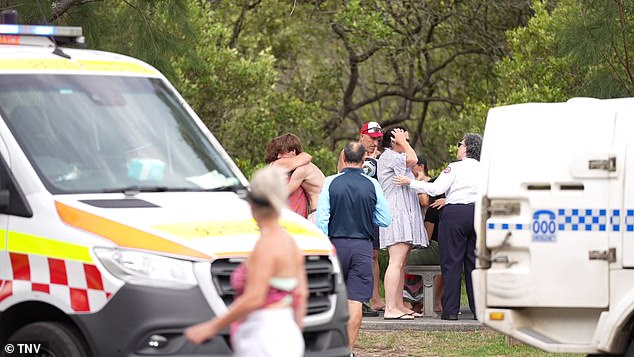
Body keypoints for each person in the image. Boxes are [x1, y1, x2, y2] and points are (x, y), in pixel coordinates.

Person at [185, 166, 308, 356]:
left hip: (263, 334)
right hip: (288, 332)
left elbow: (254, 298)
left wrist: (211, 327)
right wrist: (294, 333)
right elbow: (300, 294)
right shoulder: (290, 242)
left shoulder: (266, 244)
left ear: (252, 204)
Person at [394, 133, 482, 320]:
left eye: (460, 144)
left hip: (455, 215)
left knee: (451, 263)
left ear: (466, 148)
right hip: (478, 213)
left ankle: (450, 310)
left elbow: (435, 189)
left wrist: (410, 182)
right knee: (474, 263)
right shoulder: (485, 169)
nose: (458, 148)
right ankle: (478, 310)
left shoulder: (455, 168)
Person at [316, 142, 391, 354]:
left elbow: (322, 220)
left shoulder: (330, 182)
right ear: (364, 159)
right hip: (362, 246)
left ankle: (328, 346)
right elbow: (385, 219)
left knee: (331, 296)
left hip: (335, 244)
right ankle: (347, 350)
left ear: (344, 158)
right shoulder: (372, 185)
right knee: (356, 299)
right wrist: (368, 216)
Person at [377, 126, 428, 320]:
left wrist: (403, 142)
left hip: (405, 211)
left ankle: (398, 304)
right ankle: (390, 307)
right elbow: (414, 159)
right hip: (396, 212)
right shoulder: (389, 156)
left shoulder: (398, 158)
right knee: (396, 261)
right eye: (402, 138)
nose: (407, 141)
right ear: (393, 141)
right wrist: (403, 142)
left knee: (402, 263)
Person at [337, 121, 386, 316]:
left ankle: (375, 297)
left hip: (370, 208)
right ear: (362, 136)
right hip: (350, 209)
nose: (375, 142)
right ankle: (351, 297)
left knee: (373, 253)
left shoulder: (381, 156)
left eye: (378, 139)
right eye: (372, 138)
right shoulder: (349, 152)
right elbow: (342, 174)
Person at [272, 133, 325, 222]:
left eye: (281, 153)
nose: (278, 157)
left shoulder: (302, 170)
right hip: (321, 211)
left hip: (318, 213)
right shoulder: (308, 166)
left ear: (293, 152)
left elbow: (286, 192)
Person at [264, 133, 313, 218]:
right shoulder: (277, 164)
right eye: (277, 153)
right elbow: (306, 157)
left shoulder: (296, 168)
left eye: (281, 152)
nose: (279, 156)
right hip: (286, 216)